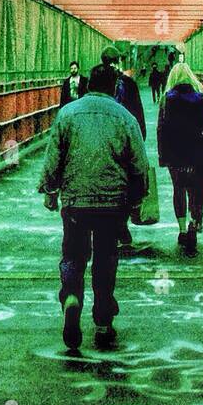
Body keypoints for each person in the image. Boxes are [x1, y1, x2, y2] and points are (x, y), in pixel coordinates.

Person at [39, 63, 150, 349]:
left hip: (75, 200)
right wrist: (138, 197)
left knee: (73, 255)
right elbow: (139, 163)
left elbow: (53, 158)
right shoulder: (124, 117)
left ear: (88, 85)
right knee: (105, 258)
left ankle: (72, 296)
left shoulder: (67, 114)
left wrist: (50, 190)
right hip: (112, 202)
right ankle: (102, 319)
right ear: (114, 87)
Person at [156, 61, 203, 255]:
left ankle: (181, 230)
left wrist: (163, 156)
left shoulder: (166, 99)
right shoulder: (199, 99)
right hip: (196, 155)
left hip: (175, 155)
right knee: (196, 191)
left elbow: (161, 129)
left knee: (178, 189)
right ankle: (193, 224)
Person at [101, 45, 145, 249]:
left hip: (102, 139)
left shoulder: (96, 80)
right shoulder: (128, 83)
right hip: (124, 139)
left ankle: (111, 226)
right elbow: (137, 110)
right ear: (119, 61)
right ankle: (120, 224)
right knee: (125, 181)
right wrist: (140, 137)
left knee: (103, 179)